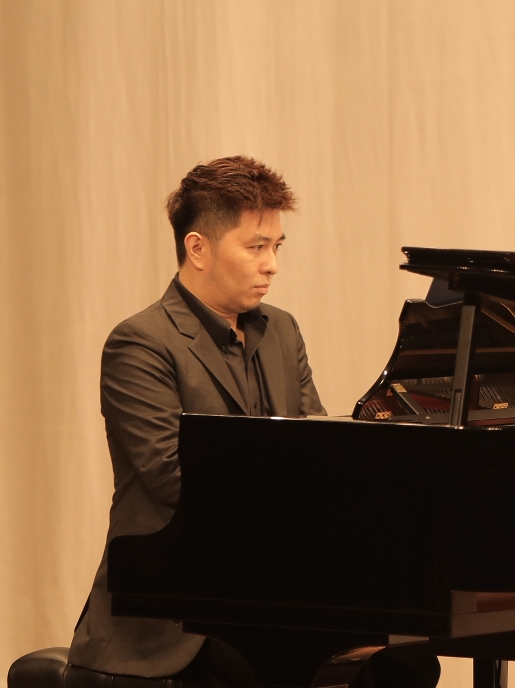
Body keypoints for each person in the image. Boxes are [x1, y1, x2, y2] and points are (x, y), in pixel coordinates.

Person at [67, 156, 330, 686]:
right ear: (198, 248)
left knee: (403, 661)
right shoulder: (141, 343)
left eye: (277, 247)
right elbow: (172, 477)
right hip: (171, 610)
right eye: (256, 247)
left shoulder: (282, 330)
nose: (272, 265)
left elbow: (316, 447)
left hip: (272, 590)